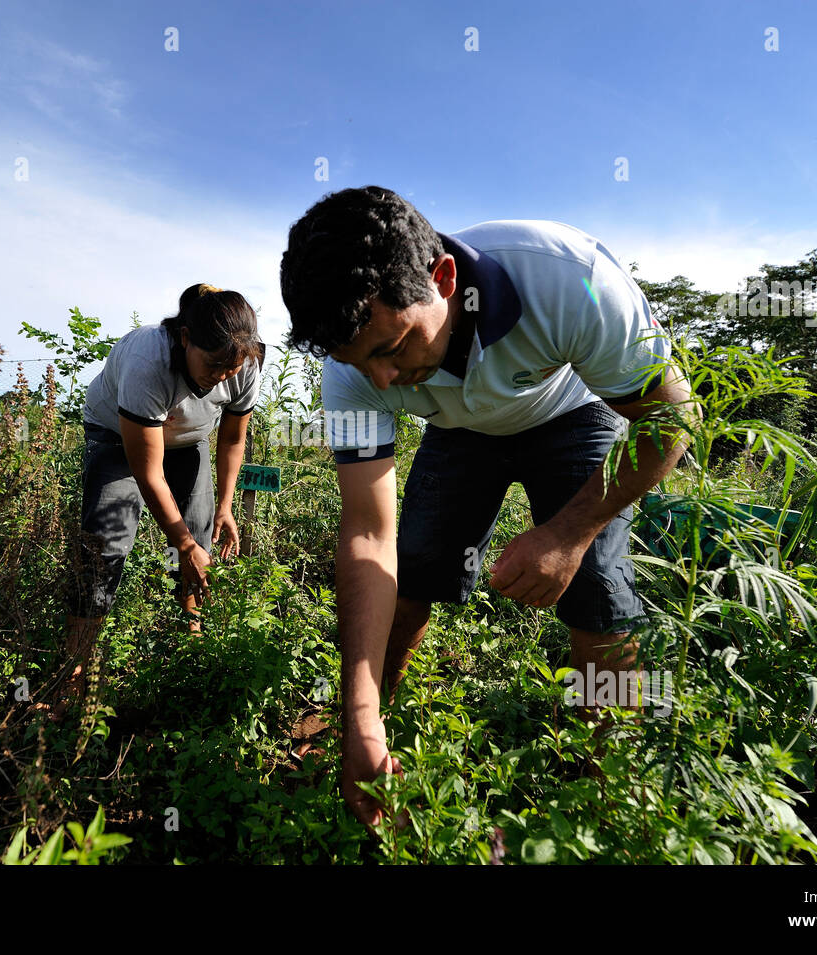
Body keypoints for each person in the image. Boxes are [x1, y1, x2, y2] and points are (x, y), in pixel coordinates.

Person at [278, 186, 698, 827]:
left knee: (597, 592)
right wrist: (357, 711)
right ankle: (367, 723)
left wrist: (567, 533)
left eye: (392, 349)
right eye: (360, 364)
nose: (382, 379)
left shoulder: (569, 279)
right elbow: (369, 533)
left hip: (572, 411)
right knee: (414, 564)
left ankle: (611, 783)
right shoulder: (355, 367)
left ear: (443, 279)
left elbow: (671, 417)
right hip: (462, 429)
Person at [56, 283, 263, 713]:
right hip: (117, 437)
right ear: (186, 338)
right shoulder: (147, 362)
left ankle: (190, 643)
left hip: (188, 443)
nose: (221, 376)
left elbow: (231, 439)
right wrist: (180, 542)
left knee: (199, 535)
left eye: (232, 368)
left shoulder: (243, 361)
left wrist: (224, 507)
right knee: (105, 543)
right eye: (213, 364)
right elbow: (148, 474)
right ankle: (73, 673)